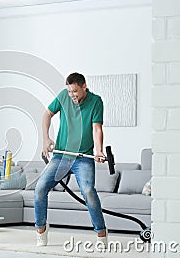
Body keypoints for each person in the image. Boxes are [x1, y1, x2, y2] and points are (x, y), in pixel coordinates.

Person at [35, 72, 108, 248]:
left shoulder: (96, 101)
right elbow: (47, 115)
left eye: (75, 91)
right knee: (39, 189)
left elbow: (97, 128)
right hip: (61, 155)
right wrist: (46, 139)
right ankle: (41, 231)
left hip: (82, 158)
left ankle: (101, 233)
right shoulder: (63, 96)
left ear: (84, 87)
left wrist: (99, 150)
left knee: (89, 192)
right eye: (69, 91)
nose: (72, 95)